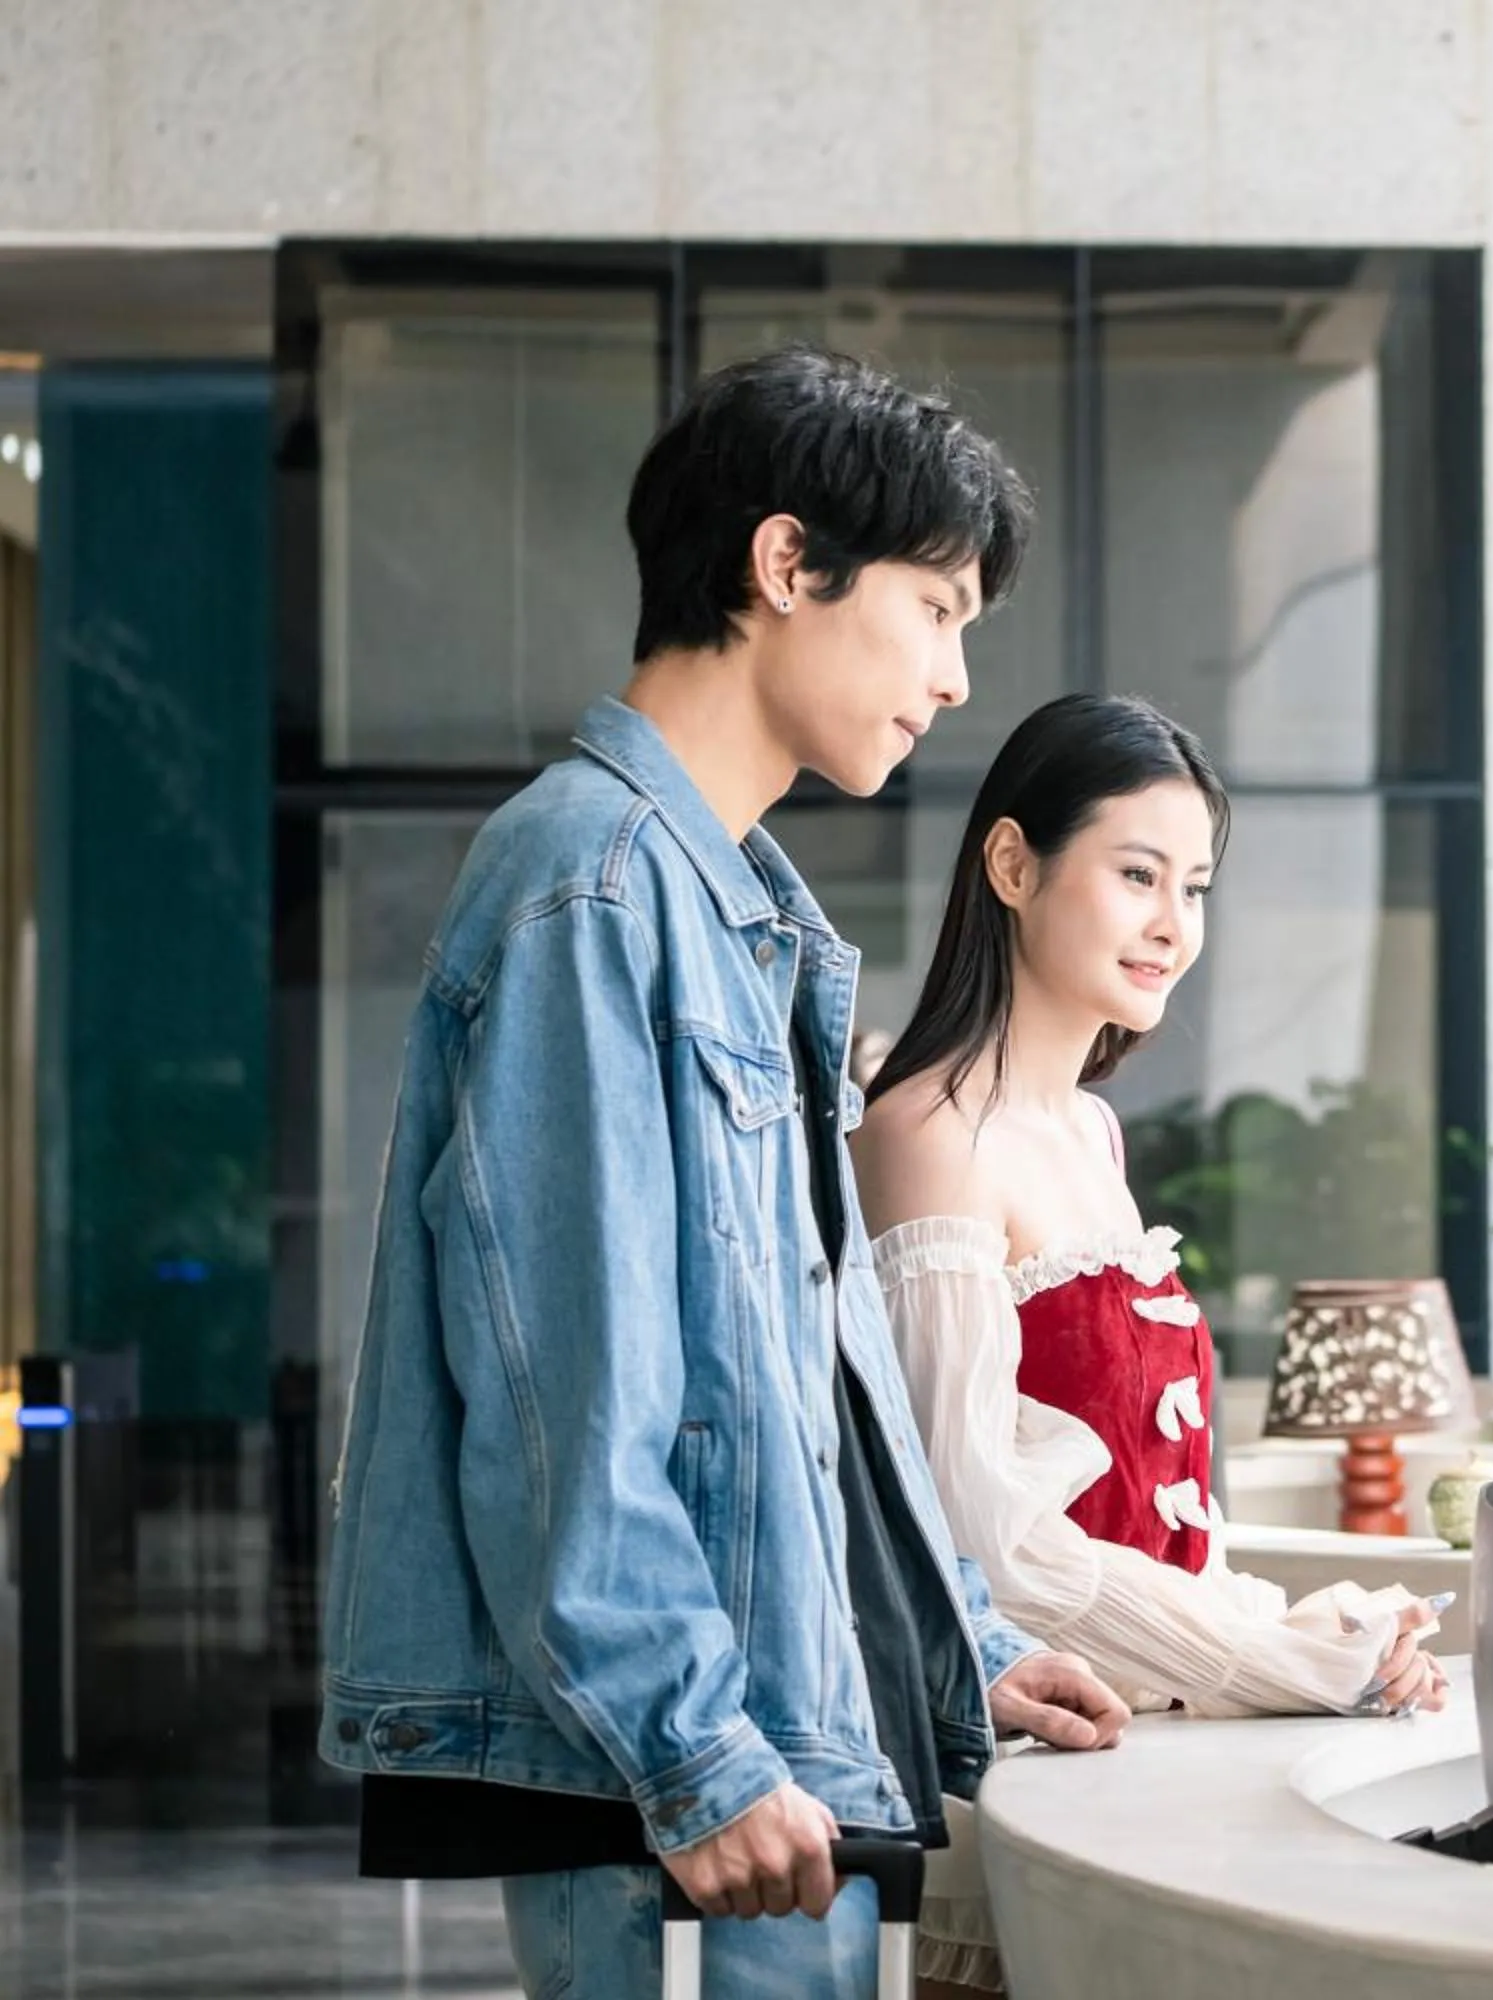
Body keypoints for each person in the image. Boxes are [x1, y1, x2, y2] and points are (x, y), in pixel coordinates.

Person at [319, 347, 1132, 2000]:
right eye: (937, 607)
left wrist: (966, 1649)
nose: (959, 676)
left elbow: (802, 1397)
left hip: (772, 1747)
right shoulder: (594, 886)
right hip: (691, 1794)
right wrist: (690, 1747)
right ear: (785, 567)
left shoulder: (734, 915)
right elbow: (563, 1387)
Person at [852, 691, 1451, 1993]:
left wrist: (1317, 1637)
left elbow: (1153, 1511)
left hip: (1157, 1761)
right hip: (1016, 1783)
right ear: (1013, 864)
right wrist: (1271, 1657)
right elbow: (978, 1539)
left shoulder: (1092, 1134)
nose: (1174, 925)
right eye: (1136, 874)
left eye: (1196, 886)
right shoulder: (924, 1131)